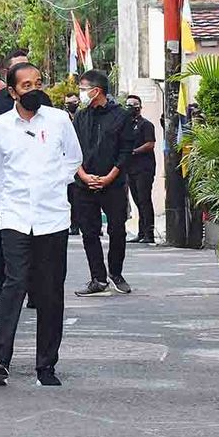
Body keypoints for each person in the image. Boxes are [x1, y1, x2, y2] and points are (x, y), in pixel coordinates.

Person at [0, 62, 82, 387]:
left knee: (51, 291)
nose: (34, 89)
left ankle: (46, 366)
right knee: (13, 286)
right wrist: (7, 201)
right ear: (12, 92)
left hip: (52, 217)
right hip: (15, 218)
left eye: (37, 82)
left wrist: (56, 182)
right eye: (26, 85)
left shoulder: (58, 121)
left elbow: (74, 158)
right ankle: (2, 360)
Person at [0, 50, 51, 311]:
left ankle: (35, 292)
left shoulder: (45, 104)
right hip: (11, 195)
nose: (31, 86)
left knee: (40, 248)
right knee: (5, 248)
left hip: (41, 194)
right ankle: (4, 291)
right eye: (21, 74)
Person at [73, 70, 135, 297]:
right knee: (89, 232)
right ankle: (97, 278)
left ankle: (116, 273)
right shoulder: (80, 116)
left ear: (96, 90)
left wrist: (110, 176)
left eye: (83, 88)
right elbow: (71, 151)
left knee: (117, 230)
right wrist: (82, 175)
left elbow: (126, 150)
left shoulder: (121, 115)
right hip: (84, 183)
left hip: (113, 183)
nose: (81, 93)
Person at [125, 95, 157, 244]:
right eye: (128, 104)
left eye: (134, 104)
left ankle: (149, 233)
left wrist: (135, 151)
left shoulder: (146, 125)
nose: (131, 107)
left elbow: (150, 144)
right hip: (131, 168)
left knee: (144, 200)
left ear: (140, 107)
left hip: (144, 168)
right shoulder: (127, 125)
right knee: (137, 200)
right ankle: (141, 232)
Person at [64, 92, 82, 236]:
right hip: (68, 164)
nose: (71, 105)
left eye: (74, 102)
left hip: (84, 162)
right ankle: (74, 225)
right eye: (68, 103)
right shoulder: (63, 119)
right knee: (71, 197)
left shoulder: (84, 116)